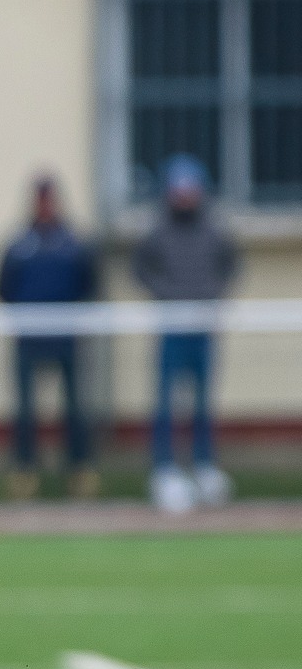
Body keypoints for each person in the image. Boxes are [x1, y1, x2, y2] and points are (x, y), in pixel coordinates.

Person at [134, 155, 239, 513]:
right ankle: (165, 469)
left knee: (202, 403)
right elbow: (141, 269)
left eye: (190, 189)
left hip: (203, 326)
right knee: (166, 402)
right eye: (179, 190)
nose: (185, 197)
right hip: (172, 326)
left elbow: (230, 265)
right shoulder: (158, 230)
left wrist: (214, 291)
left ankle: (204, 467)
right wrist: (166, 292)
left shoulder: (213, 230)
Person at [0, 175, 98, 500]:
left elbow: (89, 283)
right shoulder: (19, 244)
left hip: (66, 337)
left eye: (49, 199)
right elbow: (2, 287)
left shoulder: (72, 242)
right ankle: (25, 473)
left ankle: (79, 472)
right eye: (40, 199)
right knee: (25, 412)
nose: (45, 206)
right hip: (28, 338)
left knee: (74, 409)